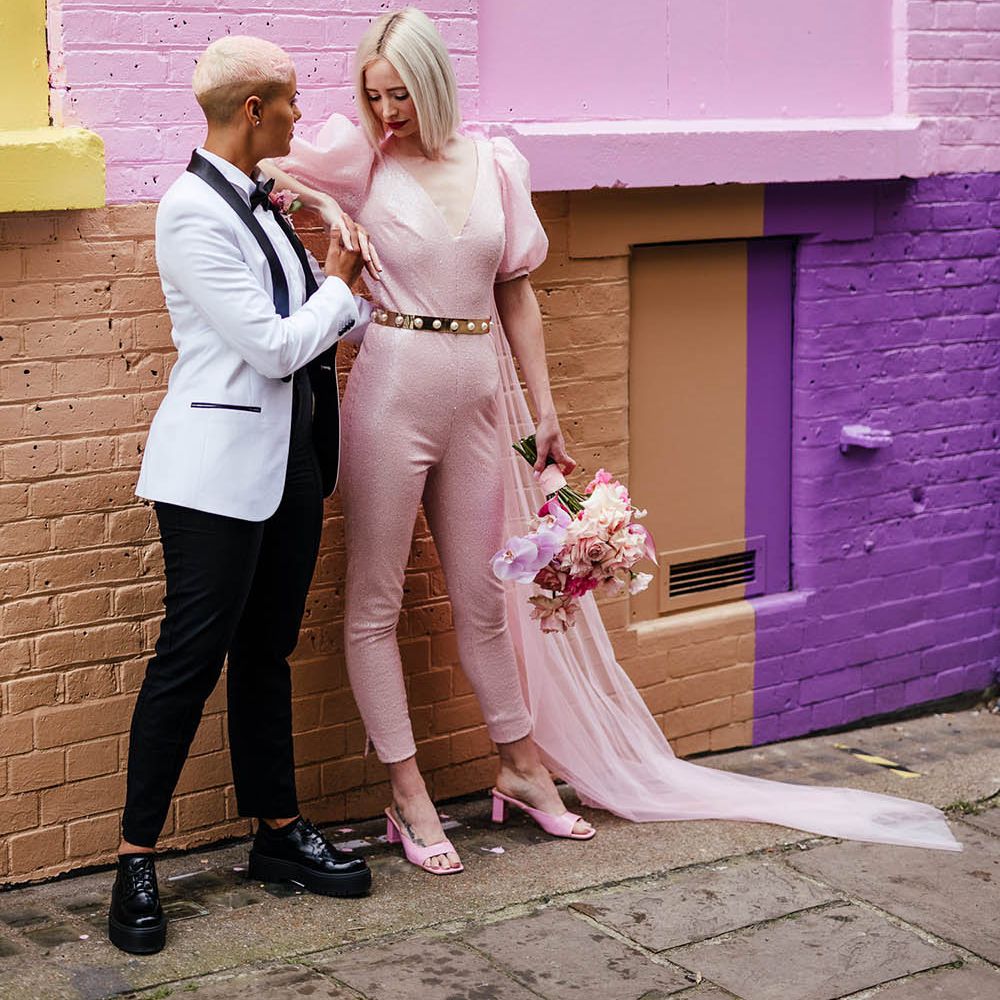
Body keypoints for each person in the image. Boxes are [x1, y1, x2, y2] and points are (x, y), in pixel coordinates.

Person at [266, 8, 961, 873]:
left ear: (435, 85)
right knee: (375, 603)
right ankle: (405, 791)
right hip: (389, 395)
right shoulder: (362, 160)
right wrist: (335, 211)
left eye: (401, 94)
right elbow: (264, 169)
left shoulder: (494, 165)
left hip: (485, 399)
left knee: (486, 600)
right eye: (374, 96)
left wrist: (544, 409)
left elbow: (516, 290)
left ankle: (520, 767)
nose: (387, 111)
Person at [111, 35, 376, 955]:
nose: (304, 117)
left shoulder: (264, 204)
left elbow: (310, 320)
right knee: (189, 657)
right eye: (293, 102)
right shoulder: (191, 211)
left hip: (293, 461)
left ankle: (275, 835)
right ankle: (135, 860)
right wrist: (338, 288)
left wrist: (349, 282)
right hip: (216, 474)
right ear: (254, 108)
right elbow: (272, 345)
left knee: (266, 653)